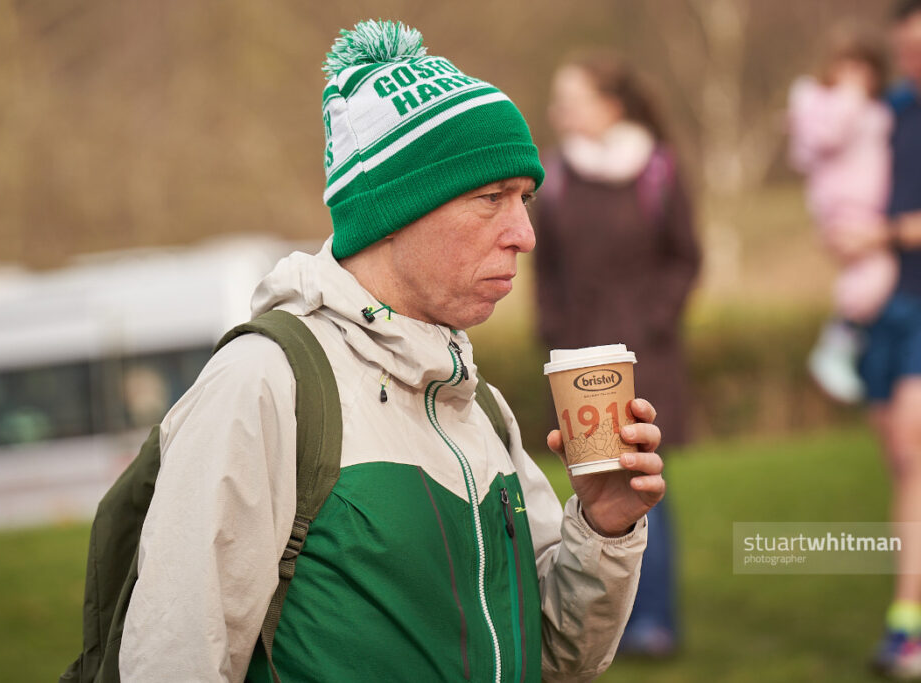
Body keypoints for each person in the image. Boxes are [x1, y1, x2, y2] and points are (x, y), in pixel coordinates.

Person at [117, 20, 667, 682]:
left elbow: (553, 653)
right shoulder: (264, 384)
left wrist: (602, 529)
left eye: (523, 199)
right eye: (490, 198)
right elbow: (173, 659)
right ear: (394, 212)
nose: (524, 233)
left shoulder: (477, 405)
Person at [534, 53, 700, 657]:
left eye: (571, 99)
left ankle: (653, 619)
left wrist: (652, 321)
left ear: (612, 105)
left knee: (648, 481)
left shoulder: (657, 169)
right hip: (575, 359)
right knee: (589, 485)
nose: (559, 113)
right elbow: (543, 270)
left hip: (645, 356)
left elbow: (686, 257)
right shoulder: (552, 176)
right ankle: (601, 621)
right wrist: (554, 333)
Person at [844, 2, 921, 678]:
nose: (914, 63)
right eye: (907, 52)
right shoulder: (889, 109)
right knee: (901, 463)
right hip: (882, 307)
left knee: (911, 447)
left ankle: (906, 626)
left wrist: (884, 233)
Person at [788, 32, 897, 404]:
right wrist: (849, 99)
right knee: (876, 275)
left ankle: (846, 342)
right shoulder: (824, 103)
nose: (856, 77)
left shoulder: (876, 109)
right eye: (848, 67)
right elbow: (822, 139)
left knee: (870, 276)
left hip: (865, 207)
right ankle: (837, 345)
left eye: (863, 70)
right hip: (846, 206)